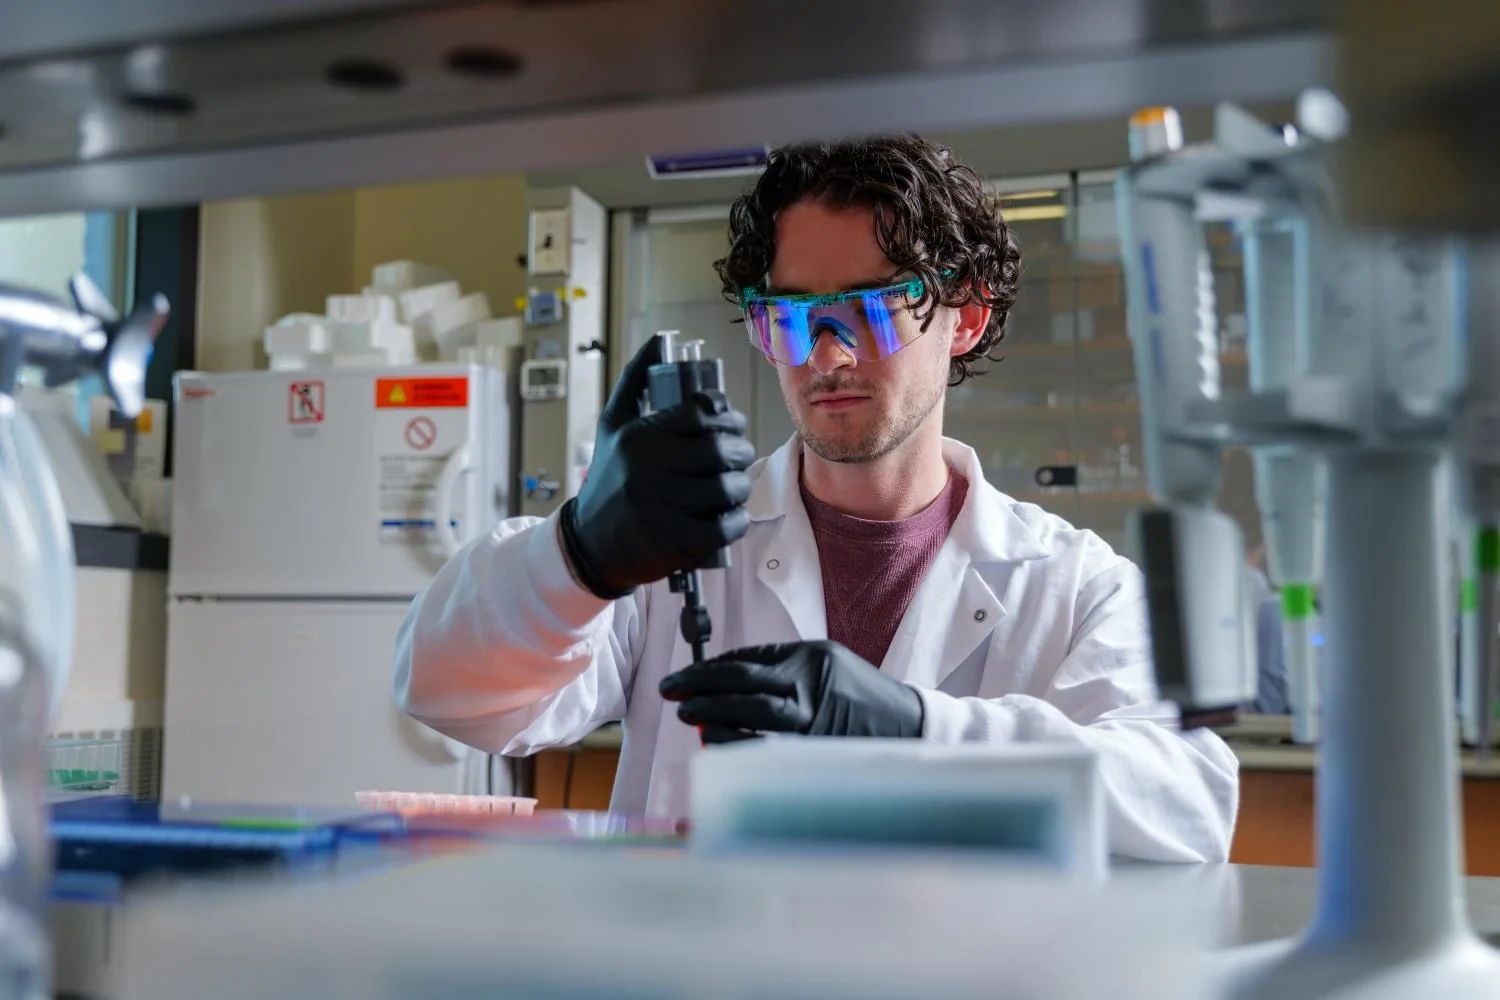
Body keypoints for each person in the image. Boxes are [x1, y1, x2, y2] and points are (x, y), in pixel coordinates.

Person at [393, 135, 1238, 862]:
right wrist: (577, 553)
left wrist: (918, 730)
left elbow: (1190, 804)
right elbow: (442, 690)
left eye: (870, 310)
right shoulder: (676, 547)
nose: (825, 357)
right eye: (792, 318)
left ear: (967, 316)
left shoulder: (1071, 582)